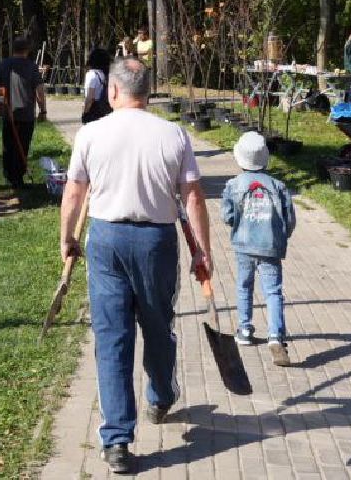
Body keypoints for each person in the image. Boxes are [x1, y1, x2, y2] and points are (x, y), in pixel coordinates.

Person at [59, 57, 211, 474]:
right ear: (149, 91)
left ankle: (117, 441)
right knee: (158, 325)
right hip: (156, 242)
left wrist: (67, 239)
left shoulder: (91, 133)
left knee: (112, 337)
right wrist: (203, 250)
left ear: (112, 91)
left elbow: (74, 192)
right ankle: (161, 395)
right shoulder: (173, 134)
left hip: (106, 240)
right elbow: (193, 197)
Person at [221, 131, 296, 367]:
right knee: (273, 291)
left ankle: (244, 330)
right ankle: (276, 336)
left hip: (243, 245)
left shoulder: (233, 185)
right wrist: (282, 237)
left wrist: (239, 222)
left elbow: (228, 216)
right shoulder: (279, 186)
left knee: (244, 286)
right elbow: (289, 219)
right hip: (270, 245)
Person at [0, 36, 46, 188]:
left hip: (8, 113)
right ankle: (18, 177)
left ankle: (9, 175)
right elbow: (39, 90)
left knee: (9, 145)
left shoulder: (3, 65)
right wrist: (43, 110)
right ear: (27, 50)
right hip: (25, 113)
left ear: (13, 49)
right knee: (22, 145)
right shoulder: (31, 66)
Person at [80, 46, 113, 124]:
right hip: (105, 108)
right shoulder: (106, 74)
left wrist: (85, 113)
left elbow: (90, 97)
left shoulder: (91, 74)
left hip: (94, 110)